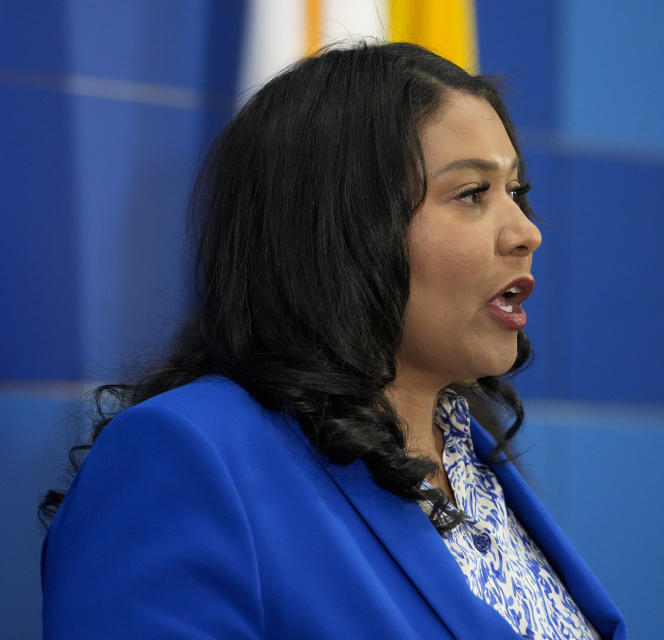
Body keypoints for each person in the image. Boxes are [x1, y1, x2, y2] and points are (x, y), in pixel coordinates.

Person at [40, 42, 627, 639]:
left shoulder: (470, 454)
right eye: (473, 193)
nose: (527, 233)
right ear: (342, 229)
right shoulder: (186, 454)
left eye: (517, 192)